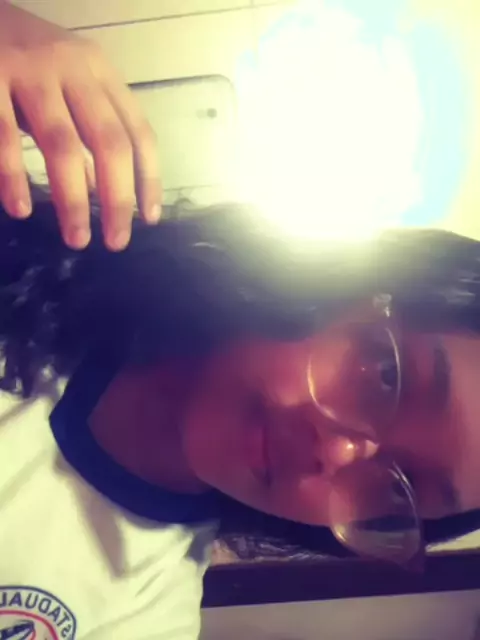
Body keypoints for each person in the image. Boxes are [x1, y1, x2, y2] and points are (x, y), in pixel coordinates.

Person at [0, 3, 480, 640]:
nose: (336, 453)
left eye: (400, 492)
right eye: (384, 376)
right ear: (346, 282)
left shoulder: (137, 617)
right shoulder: (40, 218)